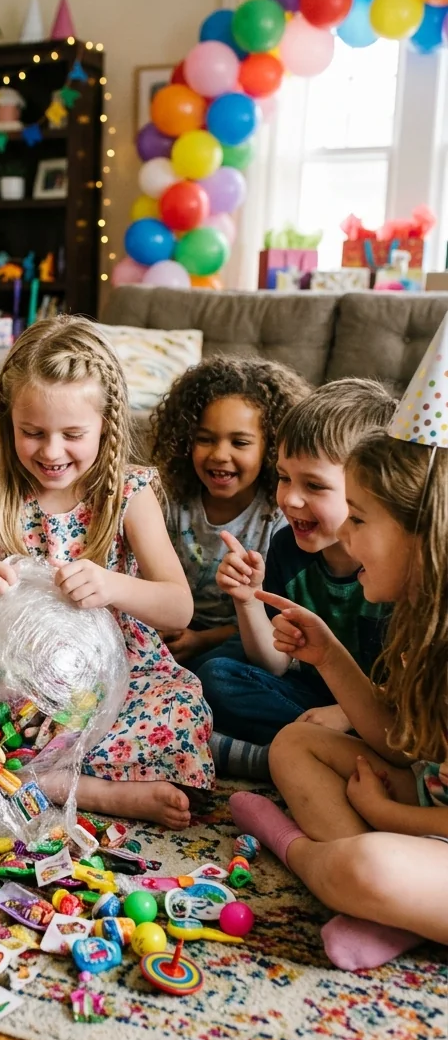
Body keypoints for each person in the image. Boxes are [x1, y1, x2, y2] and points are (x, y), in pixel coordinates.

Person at [0, 316, 214, 830]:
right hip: (4, 683)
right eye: (32, 433)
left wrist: (113, 586)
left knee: (184, 713)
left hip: (108, 679)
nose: (51, 452)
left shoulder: (130, 493)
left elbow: (178, 606)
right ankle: (62, 785)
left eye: (73, 434)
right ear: (9, 421)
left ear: (107, 424)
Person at [230, 429, 448, 969]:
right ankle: (394, 911)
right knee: (296, 743)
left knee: (367, 867)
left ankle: (298, 851)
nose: (344, 539)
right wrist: (329, 656)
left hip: (425, 827)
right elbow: (401, 747)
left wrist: (387, 814)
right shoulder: (420, 624)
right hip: (432, 801)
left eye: (359, 519)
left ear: (422, 534)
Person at [201, 378, 397, 781]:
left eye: (315, 485)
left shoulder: (393, 574)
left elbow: (416, 696)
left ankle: (279, 757)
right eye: (284, 477)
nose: (289, 499)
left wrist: (348, 715)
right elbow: (274, 663)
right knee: (214, 674)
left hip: (381, 712)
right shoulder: (289, 547)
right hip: (305, 693)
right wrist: (247, 599)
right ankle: (312, 756)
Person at [151, 355, 309, 670]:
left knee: (217, 673)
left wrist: (200, 641)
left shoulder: (279, 516)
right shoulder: (168, 499)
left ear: (271, 448)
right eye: (205, 440)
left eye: (240, 442)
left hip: (243, 635)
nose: (220, 455)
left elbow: (274, 620)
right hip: (169, 626)